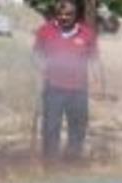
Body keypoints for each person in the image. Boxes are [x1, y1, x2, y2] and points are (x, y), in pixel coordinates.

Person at [33, 0, 105, 163]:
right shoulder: (45, 31)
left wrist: (97, 83)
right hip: (53, 88)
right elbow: (35, 54)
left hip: (79, 90)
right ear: (56, 14)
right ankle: (50, 163)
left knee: (78, 128)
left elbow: (94, 60)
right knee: (51, 128)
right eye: (61, 14)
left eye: (68, 14)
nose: (64, 17)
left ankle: (72, 161)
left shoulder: (87, 34)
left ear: (75, 15)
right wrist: (40, 67)